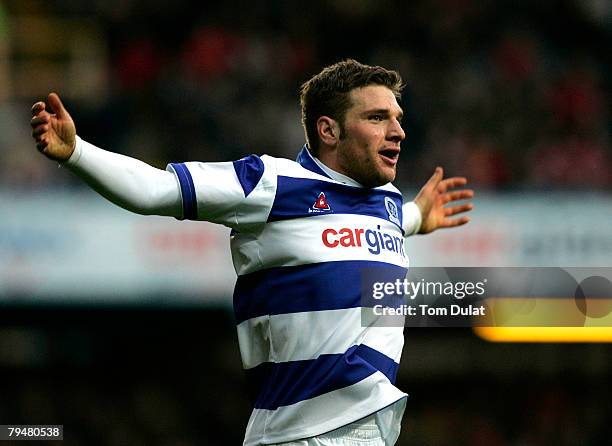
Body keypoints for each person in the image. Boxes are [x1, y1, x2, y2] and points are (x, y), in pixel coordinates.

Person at [30, 59, 473, 445]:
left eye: (396, 117)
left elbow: (386, 225)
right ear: (329, 130)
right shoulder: (273, 183)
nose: (398, 130)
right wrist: (78, 153)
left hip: (370, 430)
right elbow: (156, 190)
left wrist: (418, 216)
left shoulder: (390, 202)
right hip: (301, 434)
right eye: (377, 118)